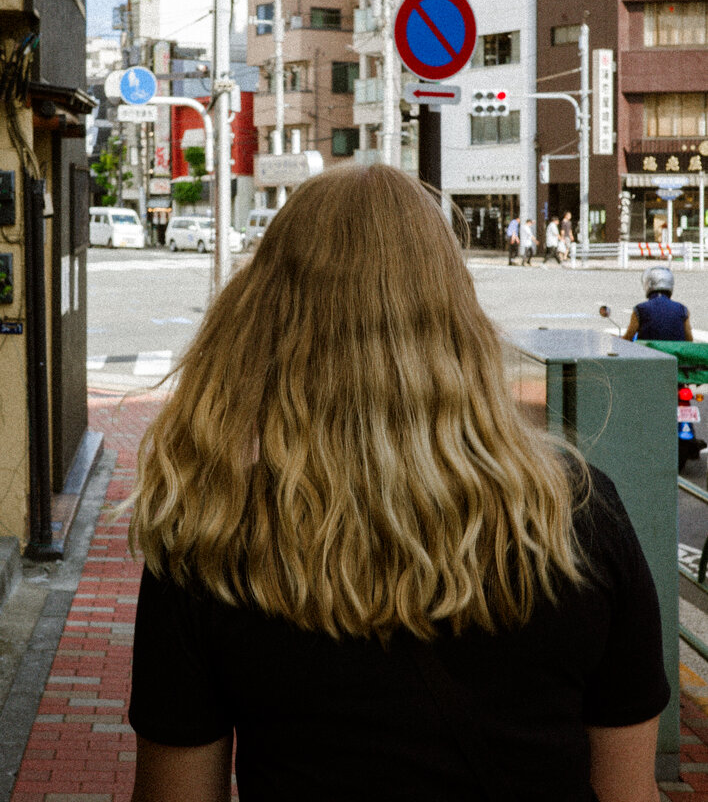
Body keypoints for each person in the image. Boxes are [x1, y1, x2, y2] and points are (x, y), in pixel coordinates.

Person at [126, 166, 668, 802]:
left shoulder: (214, 529)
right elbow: (629, 790)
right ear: (457, 317)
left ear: (264, 315)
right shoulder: (574, 510)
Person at [623, 264, 693, 342]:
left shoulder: (640, 309)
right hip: (674, 353)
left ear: (648, 284)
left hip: (648, 353)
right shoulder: (682, 309)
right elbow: (689, 340)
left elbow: (628, 338)